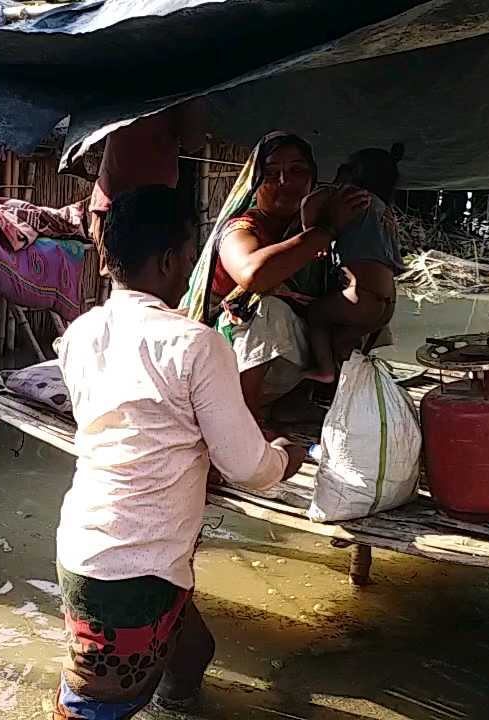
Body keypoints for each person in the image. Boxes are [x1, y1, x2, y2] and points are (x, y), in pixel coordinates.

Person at [54, 185, 306, 719]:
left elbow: (128, 428)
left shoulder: (81, 333)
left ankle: (175, 700)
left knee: (193, 652)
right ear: (172, 260)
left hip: (84, 543)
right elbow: (247, 466)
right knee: (94, 706)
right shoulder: (194, 344)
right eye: (191, 258)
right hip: (135, 563)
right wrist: (286, 455)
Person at [179, 131, 370, 423]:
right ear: (255, 183)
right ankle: (243, 419)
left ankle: (299, 400)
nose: (285, 182)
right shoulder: (242, 229)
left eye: (297, 171)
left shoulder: (314, 226)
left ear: (312, 179)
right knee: (268, 310)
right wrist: (324, 232)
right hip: (221, 362)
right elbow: (254, 275)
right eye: (271, 174)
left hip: (294, 357)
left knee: (359, 306)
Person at [302, 144, 407, 383]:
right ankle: (348, 387)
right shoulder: (384, 210)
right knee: (340, 341)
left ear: (351, 172)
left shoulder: (349, 195)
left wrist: (311, 235)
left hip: (361, 296)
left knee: (315, 314)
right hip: (387, 304)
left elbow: (309, 202)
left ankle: (325, 371)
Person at [88, 102, 207, 278]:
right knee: (142, 281)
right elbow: (193, 141)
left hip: (118, 200)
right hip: (142, 209)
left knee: (122, 281)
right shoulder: (182, 89)